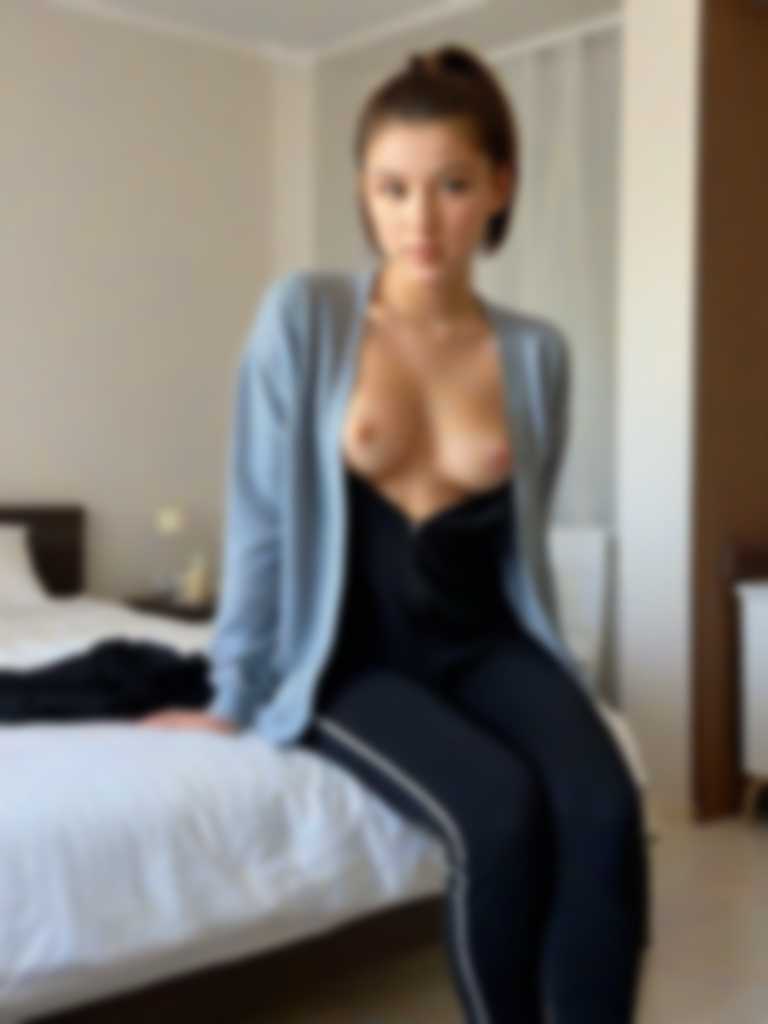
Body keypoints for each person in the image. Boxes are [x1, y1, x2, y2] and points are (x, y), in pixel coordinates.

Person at [140, 44, 649, 1023]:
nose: (421, 220)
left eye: (452, 185)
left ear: (500, 186)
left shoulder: (537, 353)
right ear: (364, 194)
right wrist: (235, 692)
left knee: (604, 804)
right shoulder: (305, 316)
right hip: (352, 655)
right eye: (393, 188)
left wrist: (557, 679)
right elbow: (260, 520)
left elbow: (522, 545)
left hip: (485, 643)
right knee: (500, 814)